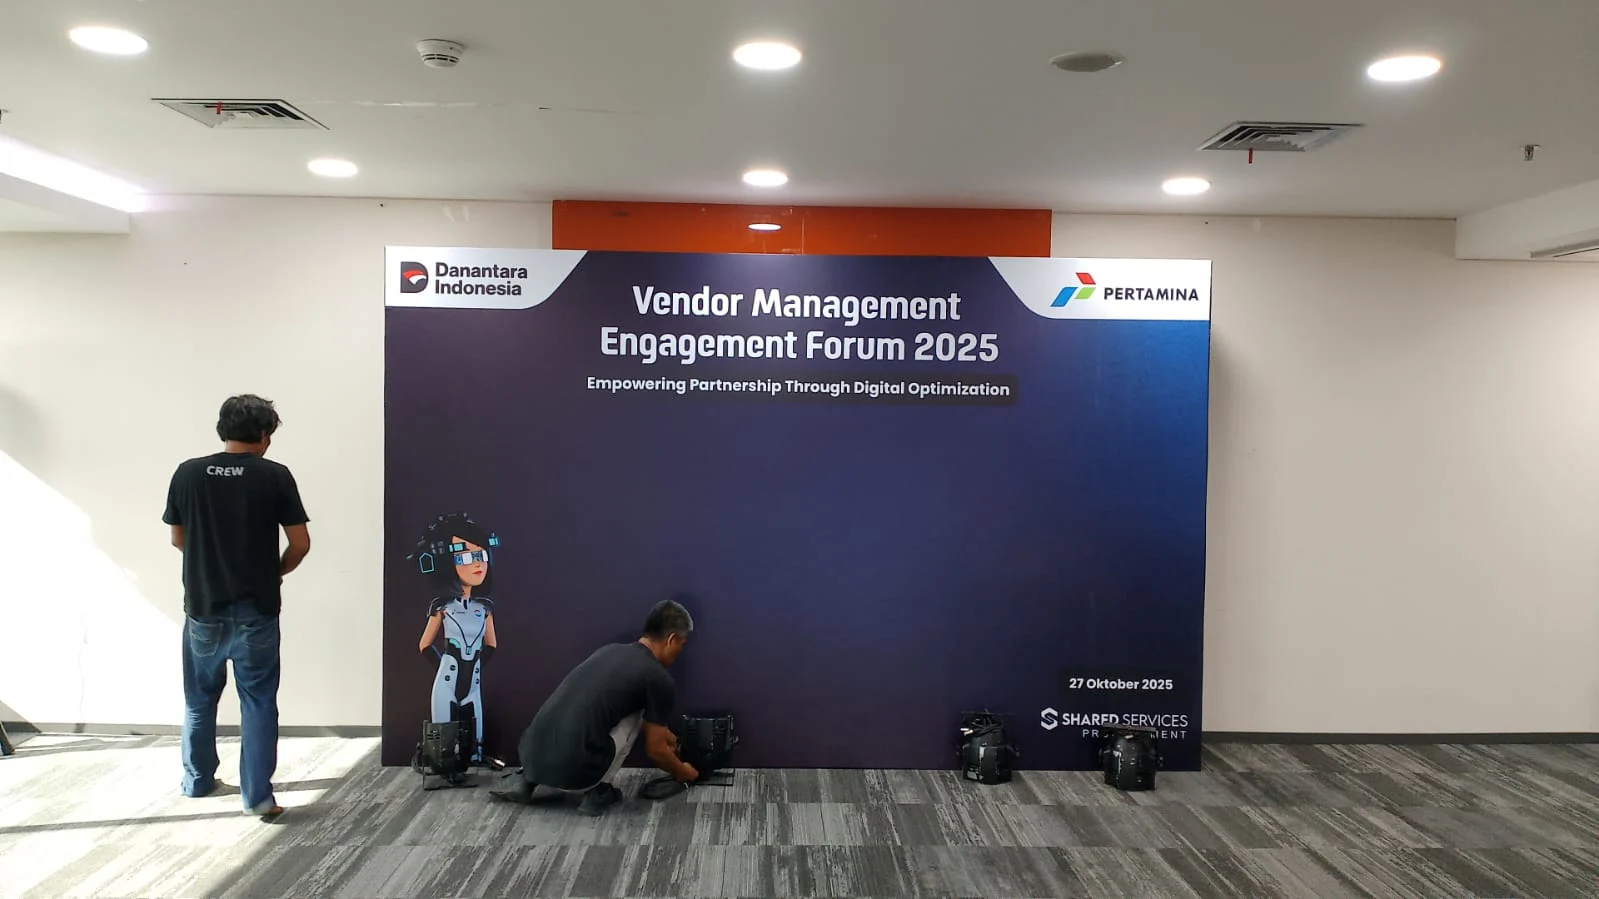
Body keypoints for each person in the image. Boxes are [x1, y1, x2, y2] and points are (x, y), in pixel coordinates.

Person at [162, 394, 310, 820]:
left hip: (203, 608)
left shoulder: (188, 473)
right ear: (264, 435)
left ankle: (197, 781)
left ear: (222, 430)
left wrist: (209, 565)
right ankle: (258, 798)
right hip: (256, 610)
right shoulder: (274, 475)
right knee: (258, 702)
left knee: (199, 699)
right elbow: (300, 544)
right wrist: (274, 571)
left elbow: (177, 539)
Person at [491, 600, 699, 815]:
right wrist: (683, 772)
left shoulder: (609, 652)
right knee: (638, 712)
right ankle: (598, 792)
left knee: (584, 707)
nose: (680, 651)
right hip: (574, 773)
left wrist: (671, 739)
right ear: (671, 640)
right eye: (682, 644)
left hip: (532, 761)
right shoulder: (657, 677)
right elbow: (655, 750)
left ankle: (526, 786)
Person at [409, 512, 502, 765]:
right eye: (466, 556)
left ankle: (473, 758)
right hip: (448, 678)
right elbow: (425, 645)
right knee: (443, 739)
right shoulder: (443, 607)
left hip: (473, 680)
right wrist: (444, 664)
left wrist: (477, 664)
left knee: (475, 733)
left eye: (481, 555)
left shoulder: (484, 608)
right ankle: (442, 765)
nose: (477, 563)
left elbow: (491, 644)